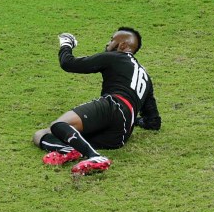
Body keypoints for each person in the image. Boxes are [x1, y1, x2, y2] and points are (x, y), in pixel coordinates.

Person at [32, 27, 161, 175]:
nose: (108, 44)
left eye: (112, 40)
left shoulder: (116, 57)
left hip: (112, 106)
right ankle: (73, 150)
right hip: (120, 135)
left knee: (58, 125)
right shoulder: (146, 77)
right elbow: (153, 122)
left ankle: (94, 156)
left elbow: (68, 63)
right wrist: (135, 121)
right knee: (41, 135)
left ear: (124, 46)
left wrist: (66, 43)